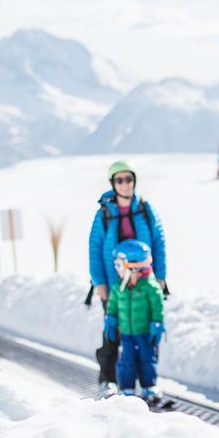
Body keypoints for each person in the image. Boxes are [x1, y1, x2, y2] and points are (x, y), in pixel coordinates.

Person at [88, 161, 167, 387]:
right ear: (113, 183)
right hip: (115, 286)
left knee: (147, 333)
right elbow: (94, 248)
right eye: (119, 180)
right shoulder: (103, 214)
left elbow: (158, 243)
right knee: (113, 331)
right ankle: (108, 380)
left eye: (128, 179)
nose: (125, 184)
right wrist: (99, 282)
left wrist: (159, 276)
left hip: (143, 282)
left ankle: (148, 383)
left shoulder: (145, 209)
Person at [104, 240, 165, 401]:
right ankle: (127, 389)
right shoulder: (119, 288)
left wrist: (157, 323)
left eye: (119, 265)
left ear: (134, 267)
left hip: (144, 333)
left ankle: (149, 387)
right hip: (127, 334)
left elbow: (157, 307)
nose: (116, 269)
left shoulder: (150, 287)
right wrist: (111, 319)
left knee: (147, 360)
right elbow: (112, 306)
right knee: (126, 361)